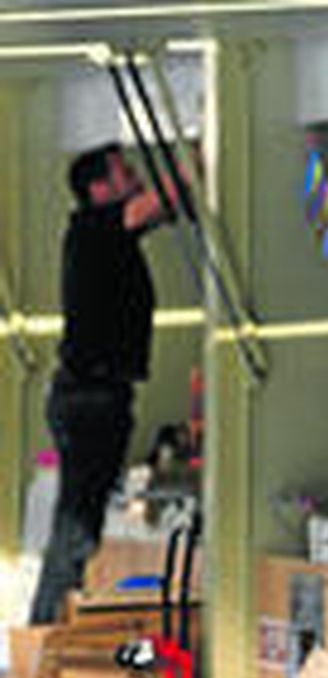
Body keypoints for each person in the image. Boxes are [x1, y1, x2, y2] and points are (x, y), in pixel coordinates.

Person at [29, 144, 175, 624]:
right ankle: (46, 630)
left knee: (80, 523)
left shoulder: (110, 235)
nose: (133, 175)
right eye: (122, 171)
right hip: (90, 398)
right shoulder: (95, 229)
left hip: (96, 397)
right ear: (98, 190)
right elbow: (163, 198)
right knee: (76, 528)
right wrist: (203, 149)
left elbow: (165, 207)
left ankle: (51, 623)